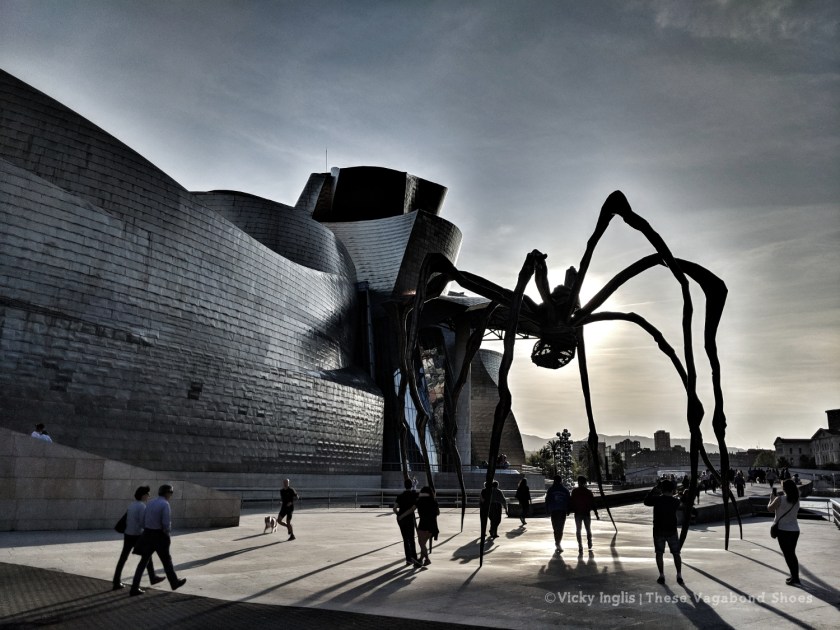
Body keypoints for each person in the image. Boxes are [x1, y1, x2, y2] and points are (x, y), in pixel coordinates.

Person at [129, 484, 186, 596]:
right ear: (167, 493)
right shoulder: (165, 504)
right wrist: (167, 533)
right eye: (171, 493)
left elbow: (143, 520)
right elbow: (166, 523)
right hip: (159, 535)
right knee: (166, 561)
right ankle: (174, 582)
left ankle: (134, 587)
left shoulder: (150, 503)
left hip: (148, 534)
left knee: (143, 562)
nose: (171, 495)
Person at [113, 485, 165, 590]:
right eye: (148, 494)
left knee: (123, 558)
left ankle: (116, 581)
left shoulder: (132, 505)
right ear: (143, 495)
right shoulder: (141, 506)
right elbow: (142, 523)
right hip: (136, 535)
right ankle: (150, 579)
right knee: (147, 556)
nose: (149, 496)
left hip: (128, 534)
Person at [644, 478, 684, 585]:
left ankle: (661, 575)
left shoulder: (657, 500)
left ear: (662, 489)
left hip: (658, 530)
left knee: (659, 553)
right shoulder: (675, 501)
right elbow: (683, 505)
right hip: (672, 531)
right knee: (676, 554)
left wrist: (654, 489)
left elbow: (646, 501)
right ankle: (679, 575)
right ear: (672, 489)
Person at [768, 478, 801, 585]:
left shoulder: (779, 499)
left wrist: (771, 499)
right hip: (795, 530)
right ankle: (795, 577)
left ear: (785, 489)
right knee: (792, 554)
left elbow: (770, 509)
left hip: (783, 530)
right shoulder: (796, 500)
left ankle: (795, 578)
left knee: (787, 555)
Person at [393, 479, 420, 567]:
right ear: (411, 485)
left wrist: (399, 515)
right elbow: (412, 509)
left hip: (401, 520)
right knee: (411, 539)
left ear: (404, 485)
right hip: (409, 519)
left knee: (405, 539)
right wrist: (403, 515)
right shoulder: (414, 495)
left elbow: (394, 508)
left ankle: (408, 559)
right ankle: (414, 558)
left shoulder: (400, 496)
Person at [571, 476, 599, 554]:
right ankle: (589, 542)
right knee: (588, 529)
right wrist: (596, 514)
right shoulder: (588, 492)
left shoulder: (574, 491)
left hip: (578, 513)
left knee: (578, 530)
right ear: (585, 483)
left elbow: (571, 502)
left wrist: (569, 511)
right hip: (586, 513)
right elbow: (593, 503)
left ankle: (580, 545)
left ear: (578, 482)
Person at [545, 475, 571, 554]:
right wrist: (568, 510)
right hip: (562, 510)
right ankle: (558, 542)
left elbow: (547, 500)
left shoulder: (551, 489)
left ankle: (557, 542)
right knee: (560, 527)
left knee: (555, 527)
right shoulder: (565, 490)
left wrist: (547, 509)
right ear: (561, 481)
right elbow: (569, 500)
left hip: (554, 510)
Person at [415, 486, 439, 566]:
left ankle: (427, 559)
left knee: (421, 543)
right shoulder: (434, 501)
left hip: (423, 524)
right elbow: (438, 513)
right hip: (432, 525)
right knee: (423, 543)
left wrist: (402, 515)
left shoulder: (419, 501)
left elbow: (412, 509)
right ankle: (421, 559)